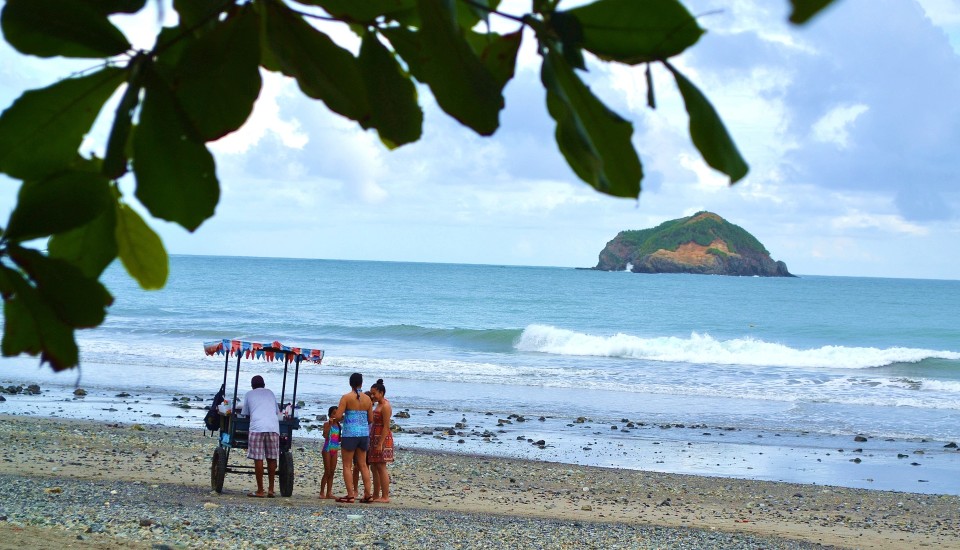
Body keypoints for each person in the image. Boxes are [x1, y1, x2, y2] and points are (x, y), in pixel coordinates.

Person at [334, 372, 373, 503]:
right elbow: (371, 419)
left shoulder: (346, 397)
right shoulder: (368, 399)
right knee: (363, 465)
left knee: (347, 466)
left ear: (350, 383)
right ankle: (368, 494)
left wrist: (338, 419)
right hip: (363, 434)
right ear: (361, 383)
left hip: (349, 434)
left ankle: (351, 494)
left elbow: (338, 416)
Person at [241, 375, 280, 498]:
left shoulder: (249, 394)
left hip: (257, 428)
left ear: (252, 386)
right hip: (273, 428)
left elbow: (245, 413)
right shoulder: (270, 393)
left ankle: (260, 490)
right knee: (272, 458)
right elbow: (276, 411)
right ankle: (271, 489)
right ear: (264, 384)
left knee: (258, 458)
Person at [367, 378, 394, 502]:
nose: (373, 396)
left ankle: (385, 496)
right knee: (374, 466)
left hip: (382, 437)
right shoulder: (378, 404)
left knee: (381, 466)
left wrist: (380, 443)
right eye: (371, 393)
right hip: (375, 436)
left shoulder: (386, 406)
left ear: (381, 393)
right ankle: (376, 494)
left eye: (374, 393)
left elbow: (386, 426)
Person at [319, 405, 340, 499]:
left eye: (337, 413)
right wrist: (330, 424)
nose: (335, 415)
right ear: (330, 415)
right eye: (333, 413)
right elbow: (325, 435)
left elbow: (338, 439)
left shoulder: (339, 425)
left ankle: (329, 492)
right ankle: (321, 492)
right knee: (327, 471)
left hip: (334, 449)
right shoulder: (327, 424)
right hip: (327, 448)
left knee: (332, 471)